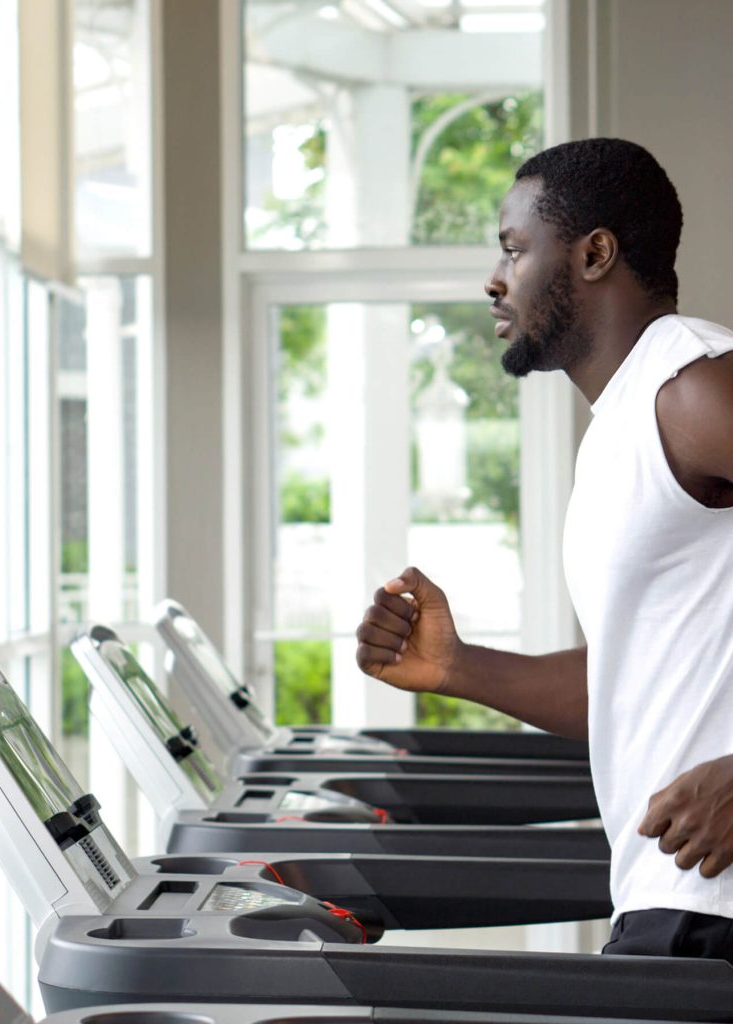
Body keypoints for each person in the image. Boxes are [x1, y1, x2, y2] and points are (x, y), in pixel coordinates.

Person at [355, 138, 733, 961]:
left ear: (593, 253)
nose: (495, 279)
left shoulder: (694, 387)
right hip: (666, 897)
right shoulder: (621, 426)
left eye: (514, 249)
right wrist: (458, 668)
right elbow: (629, 680)